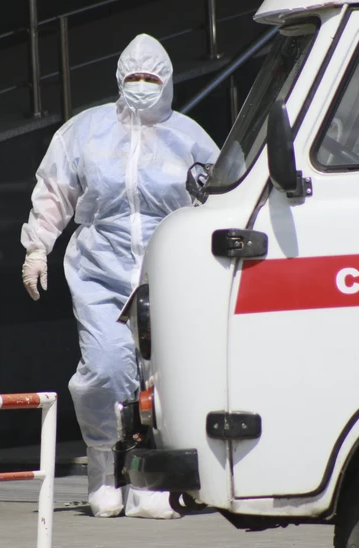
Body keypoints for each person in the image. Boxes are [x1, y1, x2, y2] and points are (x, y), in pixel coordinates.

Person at [20, 34, 220, 518]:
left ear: (167, 81)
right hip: (100, 271)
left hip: (167, 274)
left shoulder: (190, 137)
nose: (141, 85)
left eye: (150, 77)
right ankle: (105, 468)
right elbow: (54, 190)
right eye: (134, 76)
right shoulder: (85, 132)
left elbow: (218, 199)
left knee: (165, 378)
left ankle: (153, 479)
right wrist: (37, 247)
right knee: (106, 369)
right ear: (118, 78)